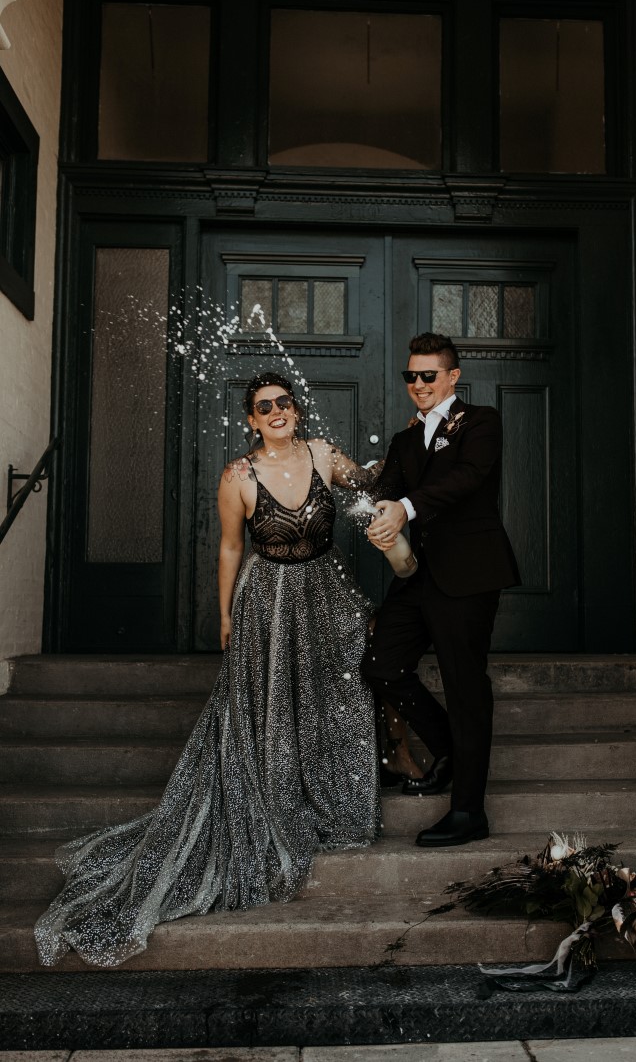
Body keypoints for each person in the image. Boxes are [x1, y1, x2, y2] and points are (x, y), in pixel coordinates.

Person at [34, 373, 380, 968]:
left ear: (296, 410)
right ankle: (275, 797)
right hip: (266, 601)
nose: (275, 412)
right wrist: (223, 616)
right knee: (268, 707)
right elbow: (228, 549)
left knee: (339, 694)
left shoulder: (325, 455)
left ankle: (335, 796)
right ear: (251, 419)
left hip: (325, 593)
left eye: (283, 403)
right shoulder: (237, 477)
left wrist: (402, 462)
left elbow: (371, 488)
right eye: (263, 407)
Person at [362, 333, 520, 848]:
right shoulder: (405, 441)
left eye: (428, 375)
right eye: (411, 375)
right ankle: (451, 749)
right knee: (382, 664)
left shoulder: (481, 422)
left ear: (453, 376)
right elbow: (383, 491)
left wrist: (404, 508)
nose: (419, 384)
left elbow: (468, 479)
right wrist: (375, 513)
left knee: (465, 685)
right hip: (418, 576)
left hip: (470, 573)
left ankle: (469, 811)